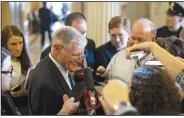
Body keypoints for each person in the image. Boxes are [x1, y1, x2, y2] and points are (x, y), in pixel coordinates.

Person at [27, 26, 86, 115]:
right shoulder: (45, 85)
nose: (80, 61)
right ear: (57, 48)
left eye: (81, 55)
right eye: (74, 55)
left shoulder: (62, 65)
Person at [97, 18, 157, 86]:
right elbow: (108, 82)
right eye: (133, 38)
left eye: (140, 40)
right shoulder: (118, 58)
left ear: (153, 40)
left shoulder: (159, 60)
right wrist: (104, 74)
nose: (135, 43)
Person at [1, 25, 32, 115]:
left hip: (25, 104)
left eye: (20, 43)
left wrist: (26, 92)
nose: (18, 48)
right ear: (4, 44)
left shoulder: (25, 60)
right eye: (13, 44)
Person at [95, 16, 131, 83]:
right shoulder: (101, 52)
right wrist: (102, 74)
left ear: (129, 34)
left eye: (120, 35)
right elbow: (97, 80)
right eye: (113, 35)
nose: (117, 40)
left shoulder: (137, 49)